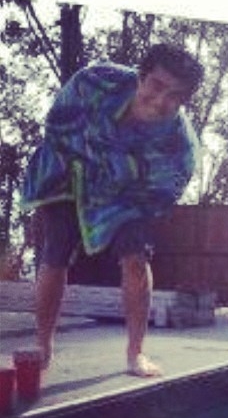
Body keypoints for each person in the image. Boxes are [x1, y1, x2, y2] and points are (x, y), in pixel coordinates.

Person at [21, 43, 203, 377]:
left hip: (127, 195)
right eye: (157, 86)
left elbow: (161, 196)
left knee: (136, 259)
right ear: (140, 76)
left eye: (175, 96)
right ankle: (42, 345)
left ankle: (136, 353)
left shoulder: (180, 146)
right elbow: (56, 127)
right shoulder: (95, 81)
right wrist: (100, 161)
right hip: (70, 171)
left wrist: (116, 182)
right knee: (56, 250)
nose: (161, 101)